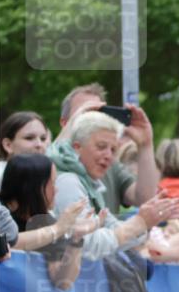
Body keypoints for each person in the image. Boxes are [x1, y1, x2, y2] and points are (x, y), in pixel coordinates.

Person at [47, 111, 179, 260]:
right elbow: (87, 246)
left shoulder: (90, 184)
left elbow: (116, 233)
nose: (109, 155)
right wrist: (139, 223)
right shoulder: (68, 182)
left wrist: (148, 220)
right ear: (77, 147)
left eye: (113, 150)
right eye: (101, 147)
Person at [0, 154, 102, 289]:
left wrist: (77, 238)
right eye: (51, 183)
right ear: (33, 186)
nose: (56, 189)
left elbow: (63, 283)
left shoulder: (46, 223)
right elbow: (8, 243)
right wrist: (58, 228)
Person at [57, 83, 160, 214]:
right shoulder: (53, 165)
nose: (92, 121)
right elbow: (52, 158)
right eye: (85, 114)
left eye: (98, 115)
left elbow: (144, 199)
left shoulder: (109, 163)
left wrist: (145, 145)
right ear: (65, 123)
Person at [0, 111, 52, 192]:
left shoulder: (49, 177)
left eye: (43, 139)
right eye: (29, 138)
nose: (39, 144)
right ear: (8, 145)